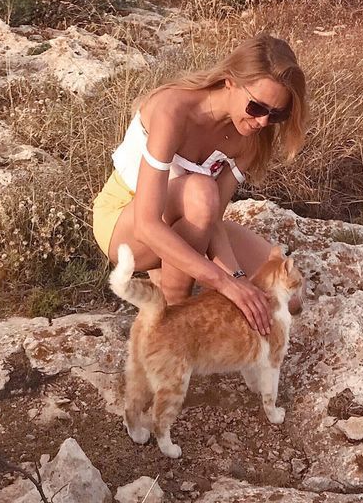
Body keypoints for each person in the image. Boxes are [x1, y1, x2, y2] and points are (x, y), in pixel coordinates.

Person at [91, 34, 308, 336]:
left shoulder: (249, 140)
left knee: (288, 293)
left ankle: (169, 277)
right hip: (125, 225)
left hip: (188, 220)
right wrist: (225, 284)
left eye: (276, 115)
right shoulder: (173, 109)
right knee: (200, 190)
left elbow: (213, 221)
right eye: (257, 107)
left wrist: (239, 278)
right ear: (230, 81)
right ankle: (173, 321)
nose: (262, 122)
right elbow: (147, 223)